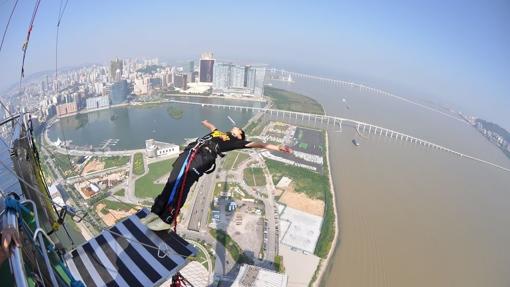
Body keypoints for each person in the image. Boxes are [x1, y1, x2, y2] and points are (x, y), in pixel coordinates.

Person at [142, 120, 293, 231]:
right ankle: (156, 212)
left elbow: (260, 144)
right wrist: (206, 123)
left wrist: (278, 147)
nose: (236, 128)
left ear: (240, 136)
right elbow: (213, 128)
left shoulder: (236, 142)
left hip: (199, 160)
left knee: (179, 187)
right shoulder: (220, 134)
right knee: (171, 183)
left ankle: (167, 219)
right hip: (189, 154)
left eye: (239, 130)